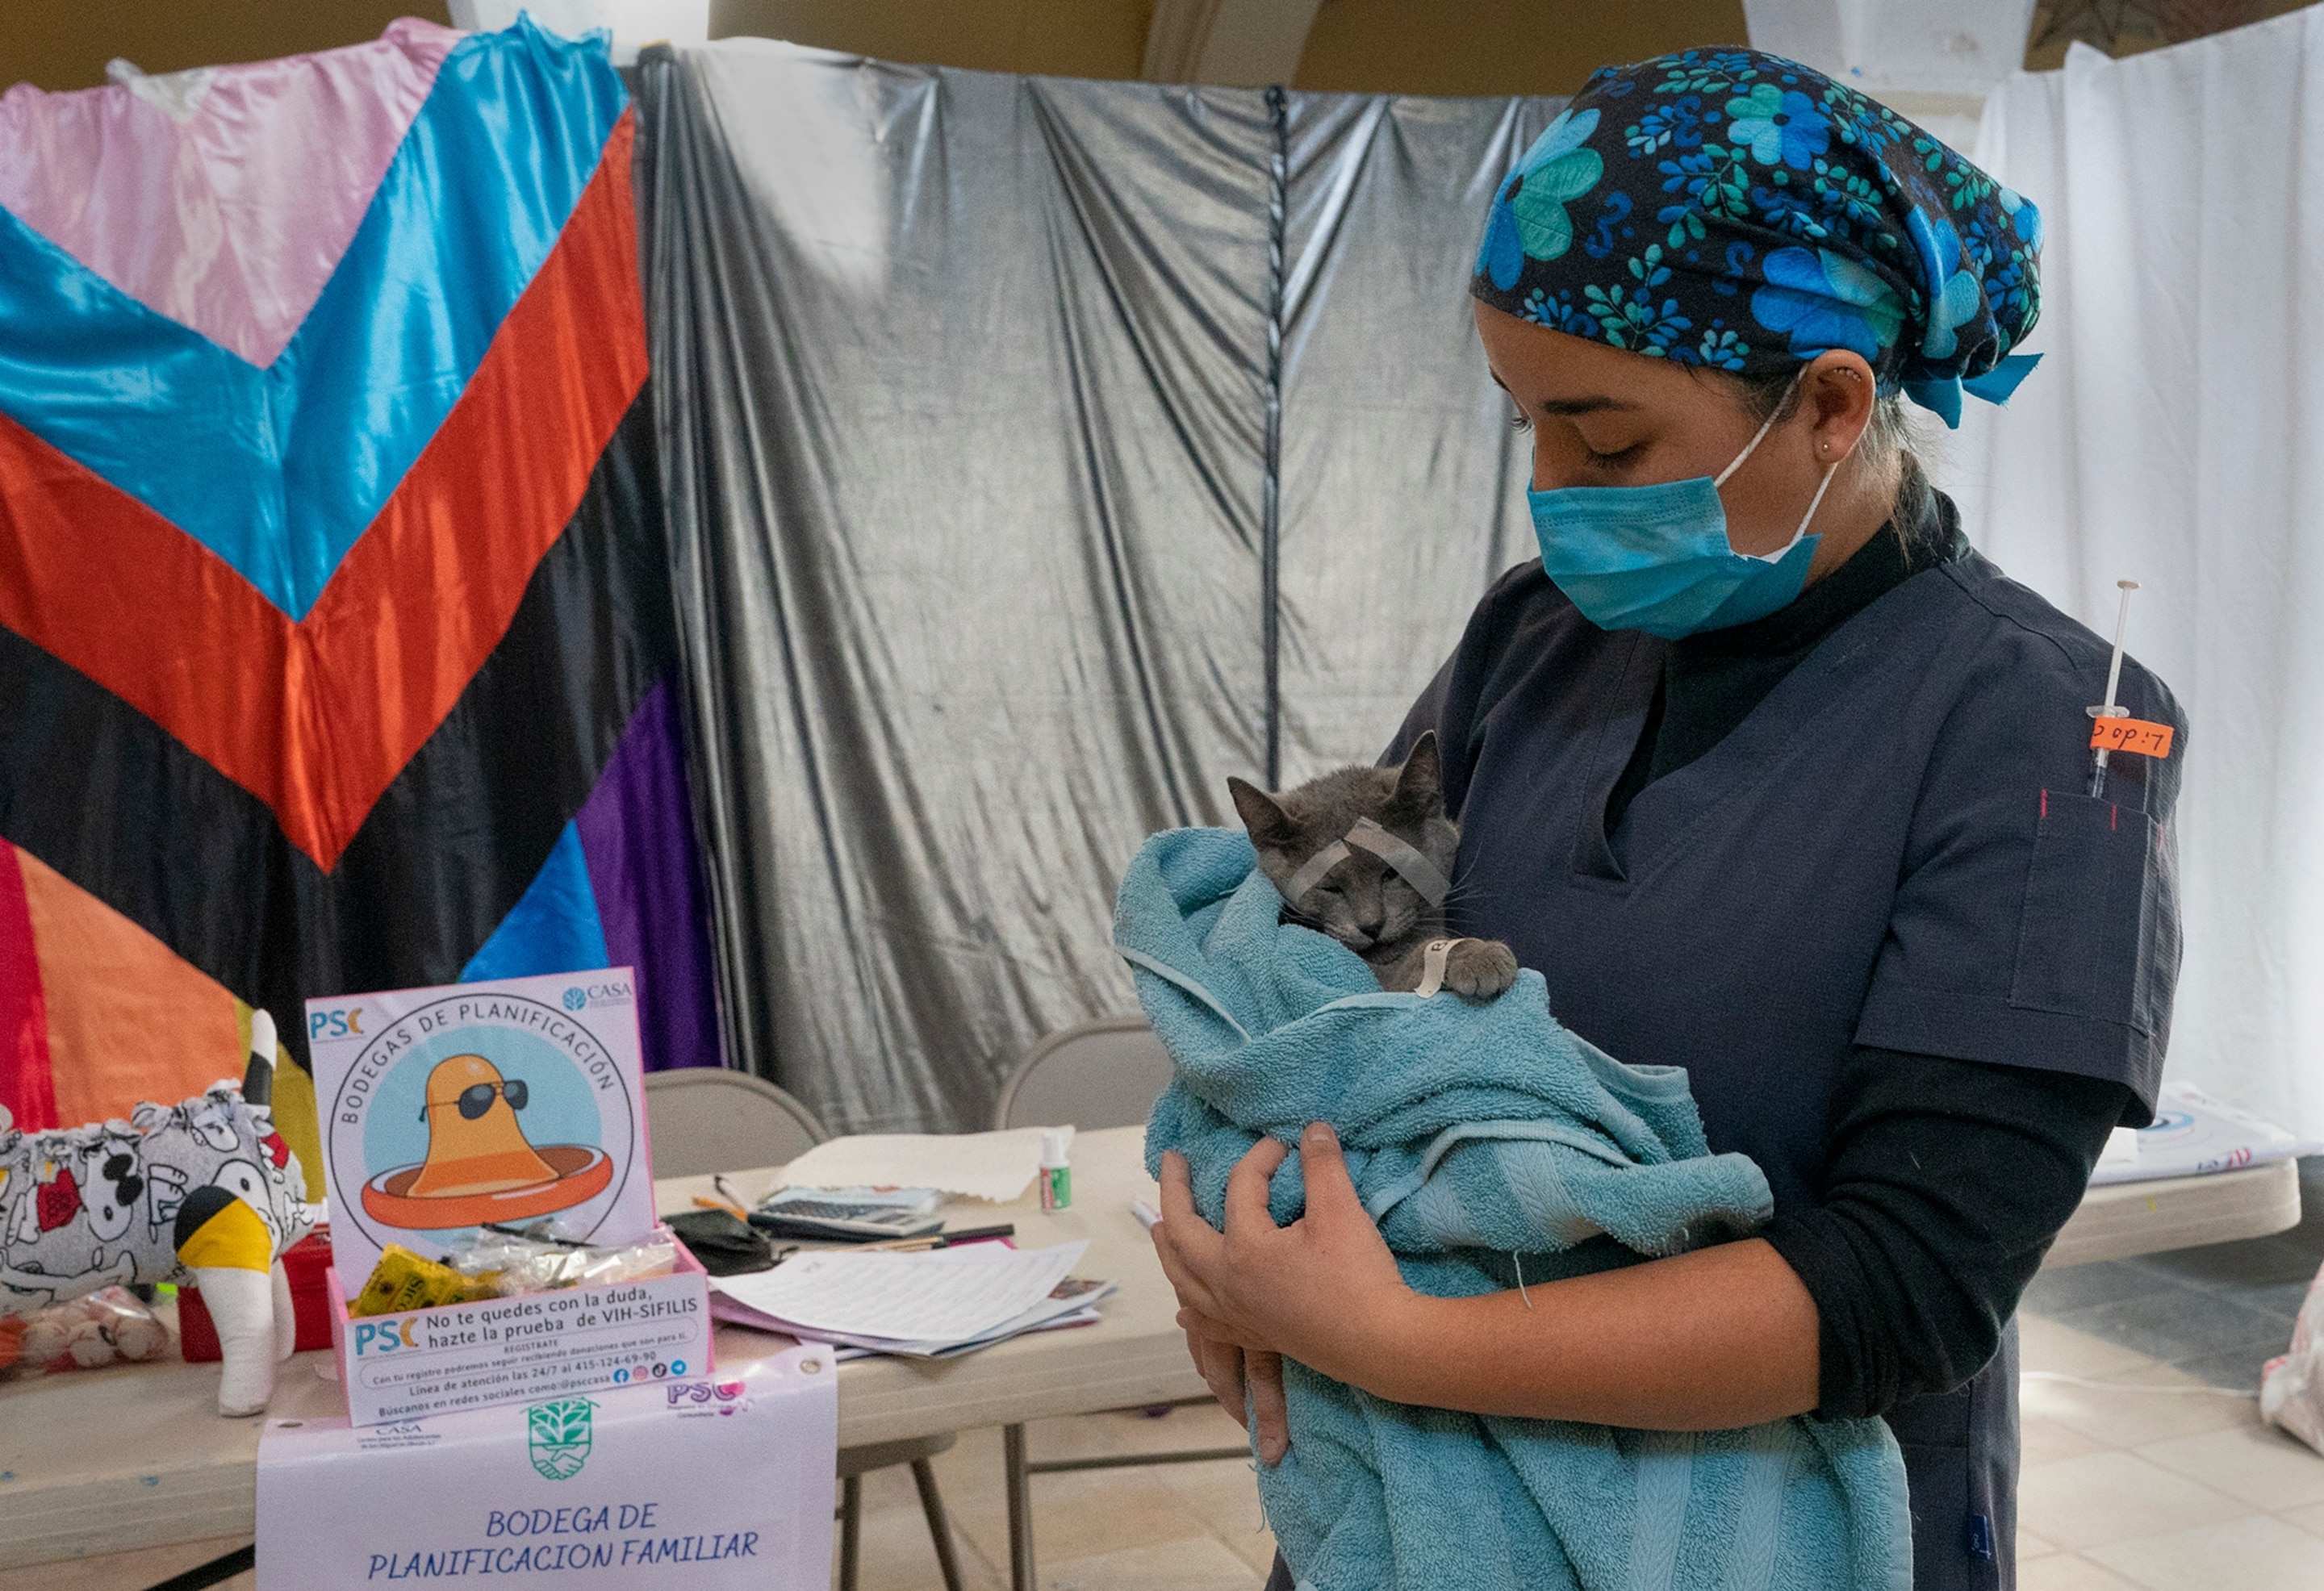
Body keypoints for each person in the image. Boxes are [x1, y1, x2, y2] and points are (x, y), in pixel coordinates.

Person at [1149, 48, 2181, 1591]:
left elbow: (1906, 1285)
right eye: (1527, 428)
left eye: (1608, 442)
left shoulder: (2053, 727)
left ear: (1832, 404)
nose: (1555, 493)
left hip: (1773, 1524)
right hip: (1428, 1511)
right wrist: (1243, 1256)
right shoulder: (1535, 641)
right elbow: (1317, 1002)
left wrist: (1396, 1338)